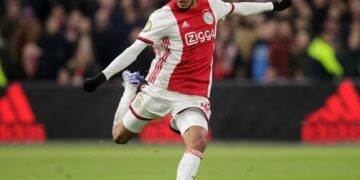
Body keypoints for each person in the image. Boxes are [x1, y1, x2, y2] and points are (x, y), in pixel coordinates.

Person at [83, 0, 291, 179]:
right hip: (158, 91)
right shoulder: (163, 16)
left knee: (199, 141)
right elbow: (133, 51)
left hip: (193, 95)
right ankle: (129, 87)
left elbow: (240, 7)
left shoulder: (211, 6)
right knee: (119, 137)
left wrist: (272, 5)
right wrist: (102, 77)